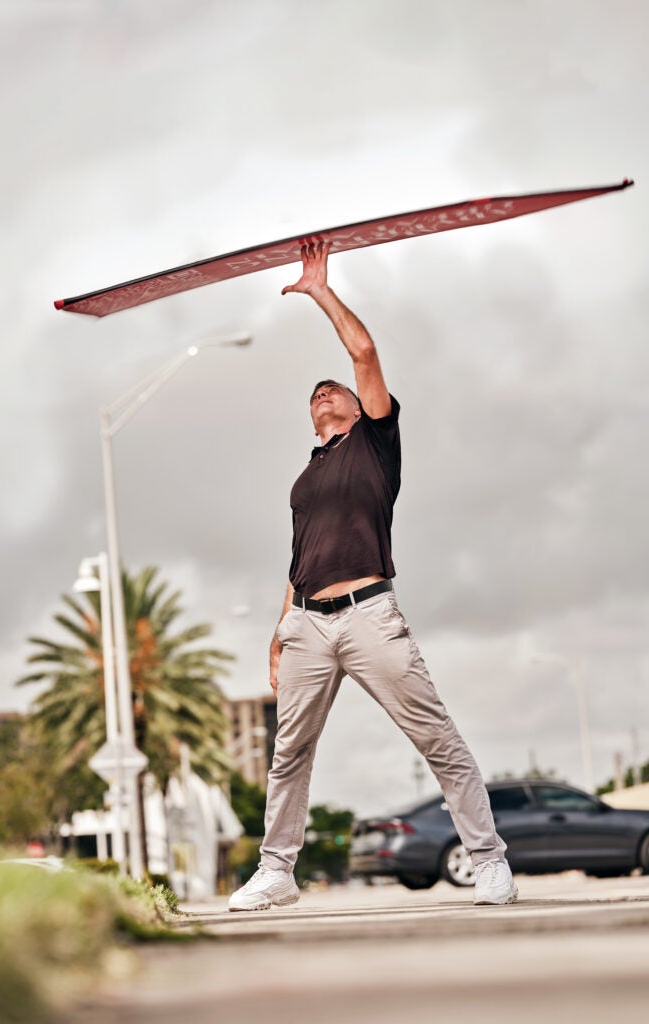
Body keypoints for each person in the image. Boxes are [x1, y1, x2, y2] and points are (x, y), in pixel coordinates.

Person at [228, 240, 517, 911]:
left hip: (369, 614)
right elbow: (299, 554)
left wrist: (320, 289)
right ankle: (277, 872)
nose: (324, 391)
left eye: (335, 389)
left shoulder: (376, 446)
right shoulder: (306, 477)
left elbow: (362, 354)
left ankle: (488, 860)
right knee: (288, 751)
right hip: (306, 619)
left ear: (362, 407)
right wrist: (279, 629)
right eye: (315, 393)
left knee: (434, 735)